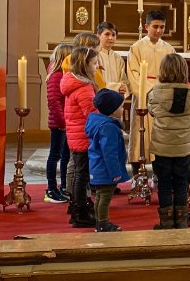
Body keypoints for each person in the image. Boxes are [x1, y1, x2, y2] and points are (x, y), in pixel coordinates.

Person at [148, 54, 190, 229]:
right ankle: (182, 219)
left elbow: (152, 111)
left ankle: (167, 221)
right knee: (181, 182)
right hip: (184, 147)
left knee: (164, 183)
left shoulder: (155, 93)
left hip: (162, 146)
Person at [127, 10, 175, 184]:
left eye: (162, 27)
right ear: (146, 26)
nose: (159, 31)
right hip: (143, 96)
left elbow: (173, 73)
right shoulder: (137, 47)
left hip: (161, 98)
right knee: (139, 136)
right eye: (155, 27)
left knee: (158, 136)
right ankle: (137, 175)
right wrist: (147, 90)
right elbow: (132, 72)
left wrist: (163, 92)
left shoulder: (168, 49)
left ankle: (158, 173)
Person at [60, 46, 99, 227]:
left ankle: (78, 207)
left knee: (79, 173)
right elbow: (91, 113)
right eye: (94, 63)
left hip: (76, 135)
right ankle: (80, 212)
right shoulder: (84, 88)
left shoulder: (72, 83)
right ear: (85, 65)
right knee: (82, 175)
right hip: (83, 135)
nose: (97, 66)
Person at [85, 89, 129, 232]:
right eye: (121, 107)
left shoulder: (99, 122)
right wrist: (115, 172)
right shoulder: (108, 127)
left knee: (99, 196)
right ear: (112, 110)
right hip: (105, 169)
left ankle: (100, 223)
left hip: (98, 168)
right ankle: (103, 223)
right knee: (105, 197)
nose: (123, 109)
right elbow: (109, 153)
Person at [44, 44, 73, 203]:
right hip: (58, 123)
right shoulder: (56, 75)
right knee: (55, 155)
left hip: (66, 122)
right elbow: (54, 101)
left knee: (66, 156)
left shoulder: (64, 73)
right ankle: (51, 189)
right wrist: (62, 122)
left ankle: (63, 187)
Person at [97, 21, 129, 96]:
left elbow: (123, 80)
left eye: (113, 35)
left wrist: (123, 87)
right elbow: (96, 82)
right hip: (100, 97)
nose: (111, 38)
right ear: (98, 36)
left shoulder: (118, 59)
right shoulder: (95, 56)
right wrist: (116, 87)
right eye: (107, 34)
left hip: (116, 99)